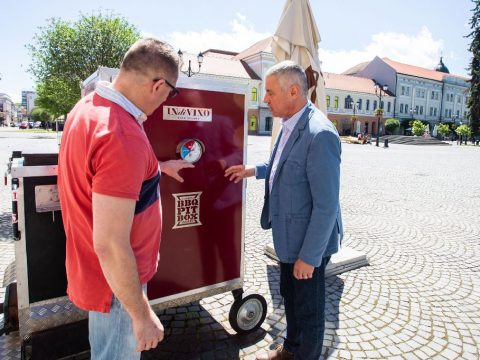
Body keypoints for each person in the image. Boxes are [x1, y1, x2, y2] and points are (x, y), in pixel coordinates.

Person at [58, 37, 193, 359]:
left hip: (98, 274)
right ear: (159, 85)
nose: (167, 99)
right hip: (118, 286)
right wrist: (142, 314)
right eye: (172, 92)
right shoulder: (123, 135)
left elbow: (104, 175)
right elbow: (111, 243)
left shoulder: (87, 110)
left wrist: (156, 168)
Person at [225, 60, 343, 360]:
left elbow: (327, 206)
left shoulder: (320, 134)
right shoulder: (289, 125)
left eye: (269, 92)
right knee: (290, 299)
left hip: (307, 244)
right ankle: (290, 349)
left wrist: (310, 256)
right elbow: (282, 164)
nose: (265, 99)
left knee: (309, 312)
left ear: (293, 91)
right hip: (289, 238)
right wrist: (254, 170)